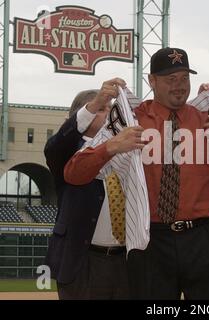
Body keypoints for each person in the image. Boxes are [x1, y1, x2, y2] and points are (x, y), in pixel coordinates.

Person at [63, 47, 209, 300]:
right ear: (152, 81)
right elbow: (73, 173)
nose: (179, 86)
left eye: (184, 78)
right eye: (171, 79)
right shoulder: (129, 120)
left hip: (204, 238)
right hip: (151, 240)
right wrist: (110, 146)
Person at [44, 88, 131, 299]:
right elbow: (54, 148)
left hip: (126, 261)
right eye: (102, 109)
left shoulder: (127, 150)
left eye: (110, 107)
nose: (109, 112)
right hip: (83, 261)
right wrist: (93, 105)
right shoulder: (67, 151)